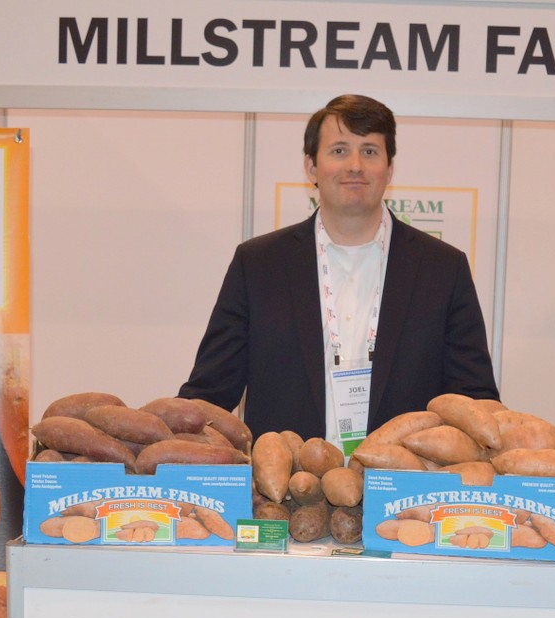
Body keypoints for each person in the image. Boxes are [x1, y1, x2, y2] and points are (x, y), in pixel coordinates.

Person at [178, 94, 499, 449]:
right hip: (285, 480)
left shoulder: (442, 269)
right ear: (311, 167)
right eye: (339, 150)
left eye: (370, 151)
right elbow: (209, 395)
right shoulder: (258, 266)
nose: (355, 166)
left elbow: (475, 403)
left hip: (404, 480)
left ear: (389, 169)